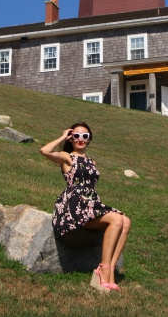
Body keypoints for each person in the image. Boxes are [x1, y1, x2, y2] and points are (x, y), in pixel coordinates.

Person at [40, 122, 131, 291]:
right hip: (73, 208)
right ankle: (103, 270)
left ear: (89, 140)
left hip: (90, 204)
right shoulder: (66, 157)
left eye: (85, 136)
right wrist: (62, 137)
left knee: (126, 221)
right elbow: (44, 151)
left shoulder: (91, 161)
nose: (80, 139)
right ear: (71, 138)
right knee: (117, 220)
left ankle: (110, 274)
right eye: (76, 136)